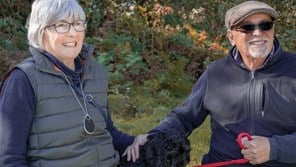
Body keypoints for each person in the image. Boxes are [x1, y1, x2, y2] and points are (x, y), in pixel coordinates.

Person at [129, 1, 296, 166]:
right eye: (247, 28)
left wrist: (274, 148)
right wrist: (154, 135)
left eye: (265, 25)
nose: (258, 33)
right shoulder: (215, 73)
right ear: (231, 37)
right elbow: (184, 117)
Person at [0, 0, 144, 166]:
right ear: (41, 31)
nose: (72, 33)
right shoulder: (23, 80)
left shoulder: (95, 72)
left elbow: (105, 131)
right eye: (61, 25)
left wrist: (135, 141)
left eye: (77, 24)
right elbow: (9, 159)